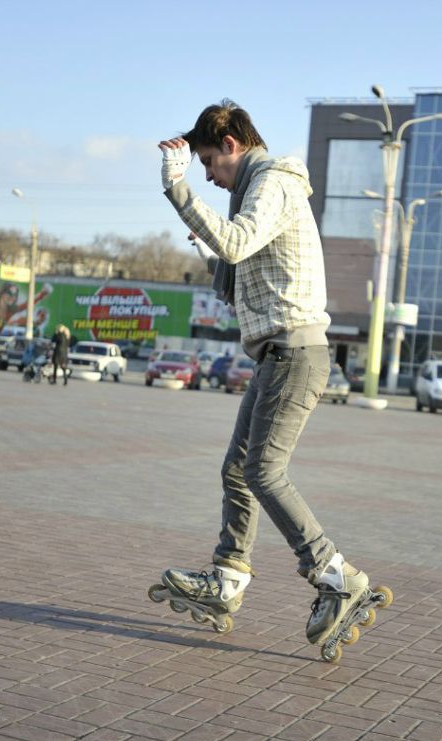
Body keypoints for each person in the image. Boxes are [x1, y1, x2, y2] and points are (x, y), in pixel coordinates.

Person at [153, 100, 379, 653]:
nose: (210, 176)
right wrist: (209, 251)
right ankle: (228, 579)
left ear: (231, 145)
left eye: (210, 162)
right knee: (237, 469)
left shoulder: (272, 183)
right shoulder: (256, 191)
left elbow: (236, 241)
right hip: (277, 354)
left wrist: (179, 189)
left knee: (264, 472)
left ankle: (337, 577)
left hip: (295, 353)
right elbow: (241, 271)